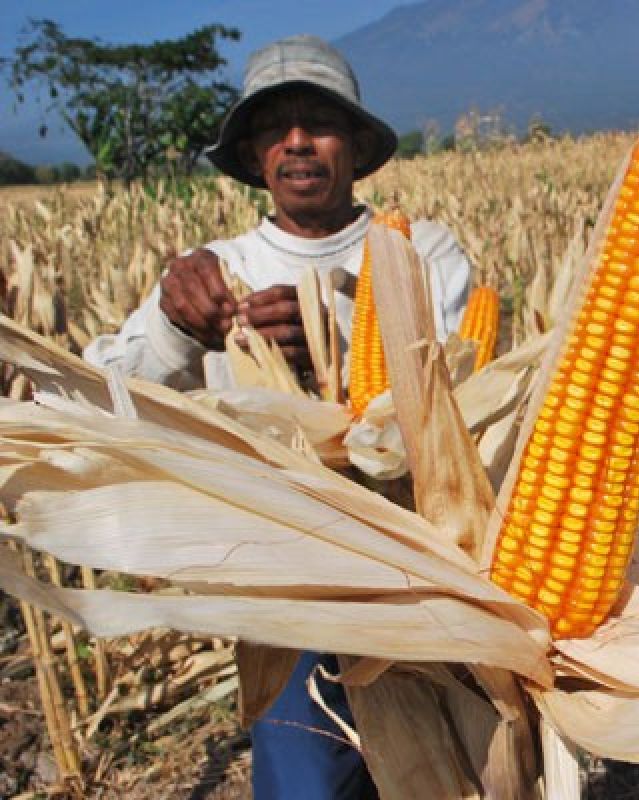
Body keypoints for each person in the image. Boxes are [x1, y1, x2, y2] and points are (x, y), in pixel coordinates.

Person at [82, 34, 471, 799]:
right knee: (307, 784)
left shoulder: (422, 251)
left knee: (450, 774)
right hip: (287, 588)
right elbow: (103, 392)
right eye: (276, 125)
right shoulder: (212, 273)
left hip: (430, 572)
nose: (298, 140)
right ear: (255, 153)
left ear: (356, 145)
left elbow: (461, 381)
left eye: (320, 121)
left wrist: (341, 340)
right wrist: (178, 329)